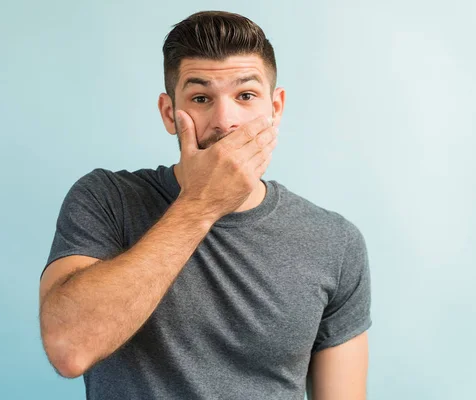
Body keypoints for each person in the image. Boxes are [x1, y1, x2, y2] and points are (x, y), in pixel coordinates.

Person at [38, 10, 372, 400]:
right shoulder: (107, 200)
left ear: (275, 109)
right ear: (168, 113)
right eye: (200, 98)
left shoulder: (335, 241)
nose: (224, 120)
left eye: (245, 96)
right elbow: (68, 348)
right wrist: (200, 205)